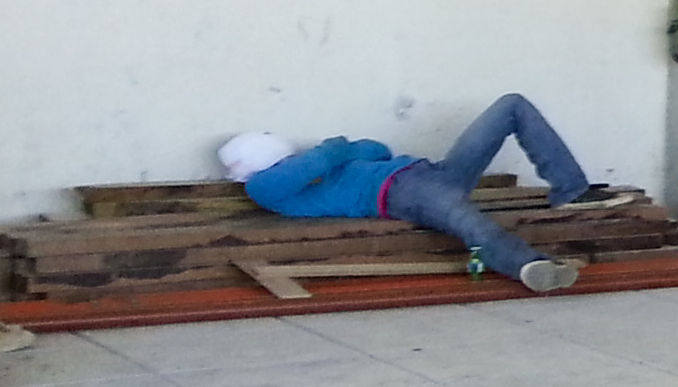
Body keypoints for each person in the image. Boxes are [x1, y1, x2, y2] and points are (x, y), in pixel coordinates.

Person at [220, 93, 599, 293]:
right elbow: (331, 153)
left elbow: (377, 148)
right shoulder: (265, 188)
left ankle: (571, 188)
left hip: (434, 173)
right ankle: (530, 267)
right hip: (403, 195)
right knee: (473, 227)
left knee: (511, 106)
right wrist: (335, 149)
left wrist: (334, 154)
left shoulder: (305, 169)